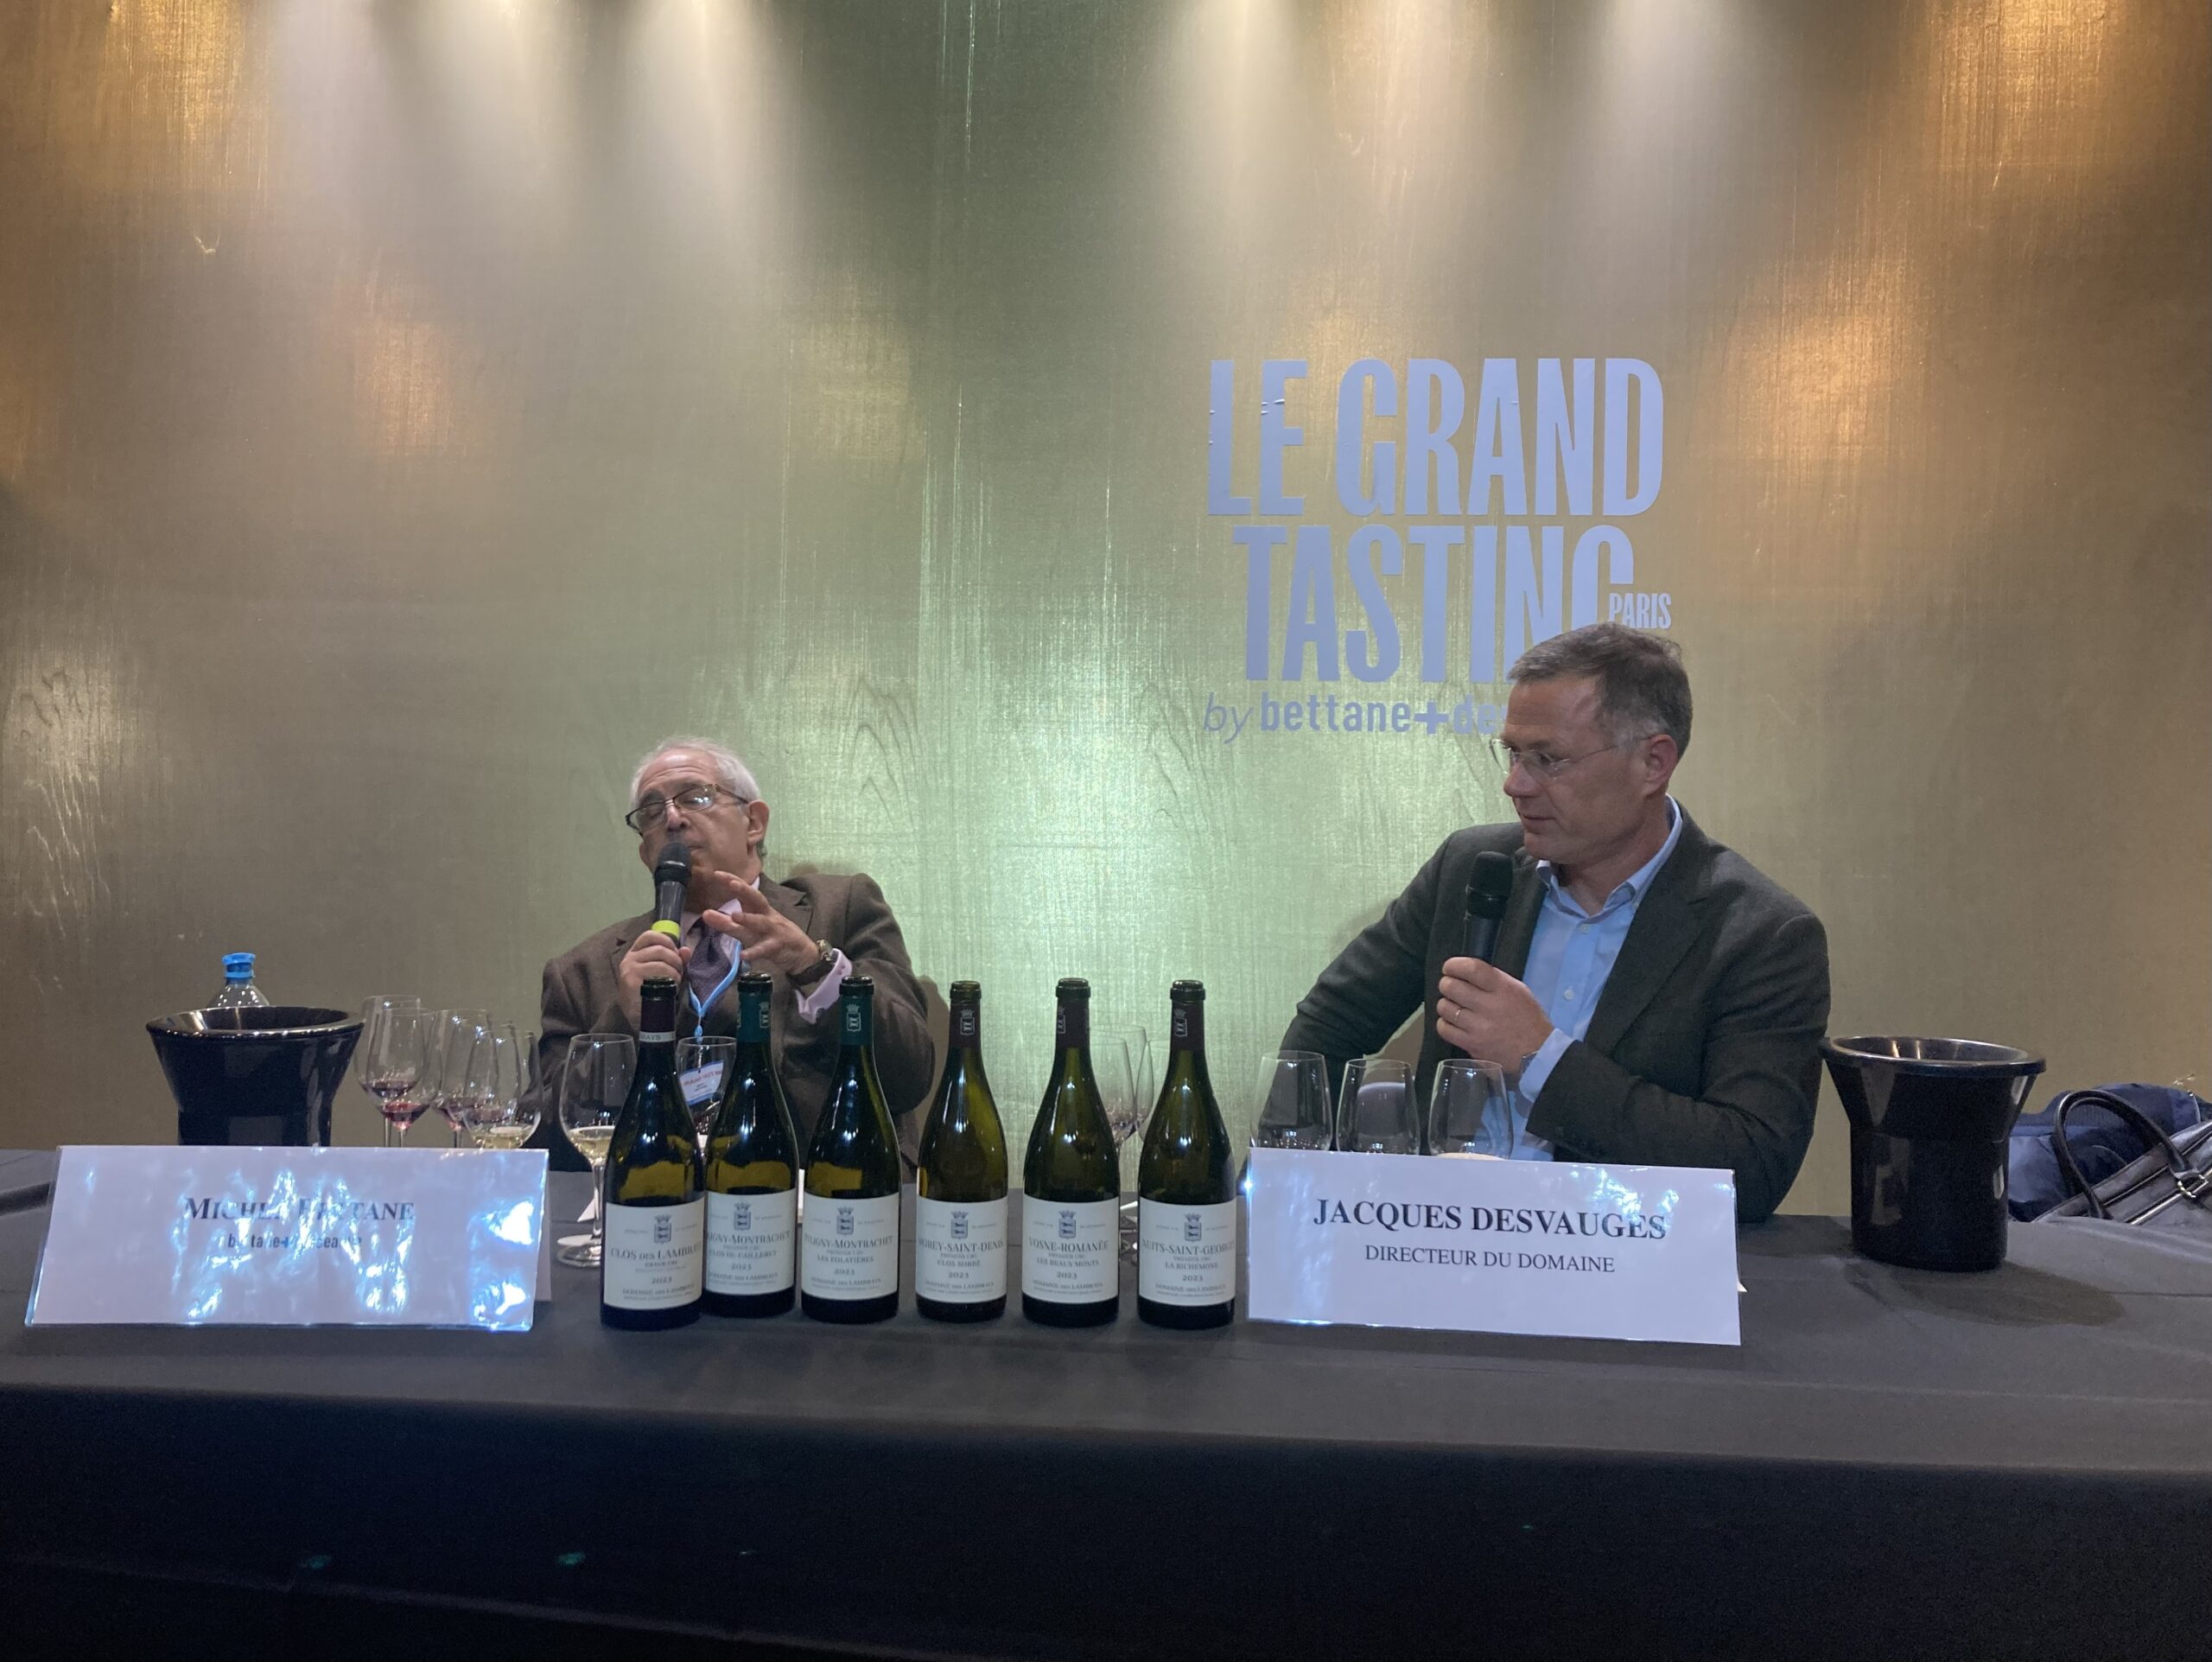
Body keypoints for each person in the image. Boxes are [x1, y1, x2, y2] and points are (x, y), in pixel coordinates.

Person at [1280, 624, 1829, 1222]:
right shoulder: (1470, 869)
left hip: (1620, 1260)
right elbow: (1327, 1028)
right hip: (1437, 1241)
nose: (1515, 784)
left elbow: (1751, 1166)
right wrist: (1306, 1196)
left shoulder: (1761, 935)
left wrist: (1541, 1056)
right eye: (1514, 753)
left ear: (1653, 762)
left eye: (1548, 759)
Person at [530, 737, 935, 1168]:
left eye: (695, 797)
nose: (672, 818)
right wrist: (624, 1021)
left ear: (754, 823)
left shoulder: (840, 911)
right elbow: (546, 1142)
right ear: (646, 851)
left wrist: (815, 969)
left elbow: (908, 1074)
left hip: (823, 1192)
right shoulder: (583, 971)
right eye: (652, 811)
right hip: (656, 1198)